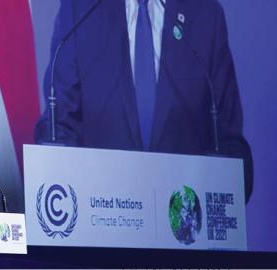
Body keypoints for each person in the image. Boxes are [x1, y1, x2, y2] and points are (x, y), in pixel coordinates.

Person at [35, 0, 253, 203]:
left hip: (183, 225)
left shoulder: (205, 15)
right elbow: (60, 124)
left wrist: (220, 181)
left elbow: (229, 140)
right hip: (104, 217)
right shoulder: (80, 10)